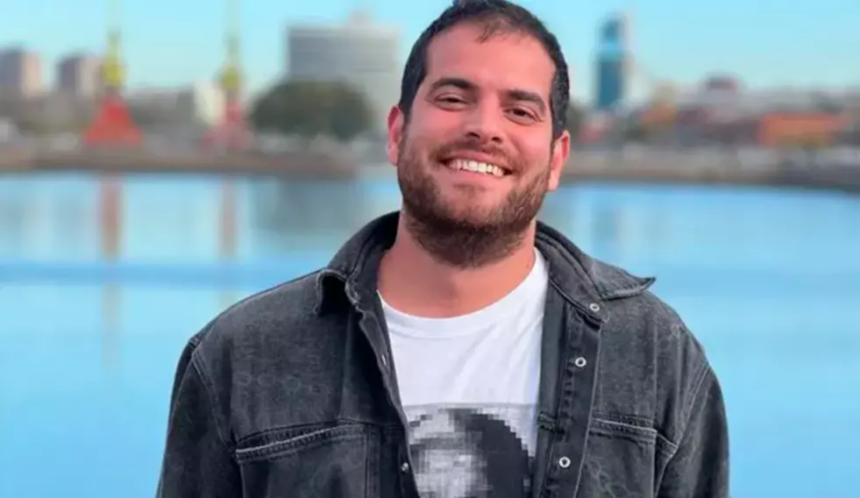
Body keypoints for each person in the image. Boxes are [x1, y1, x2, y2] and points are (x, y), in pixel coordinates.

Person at [155, 1, 730, 496]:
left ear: (556, 158)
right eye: (454, 98)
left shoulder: (654, 354)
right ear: (397, 133)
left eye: (520, 110)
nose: (485, 128)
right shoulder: (244, 355)